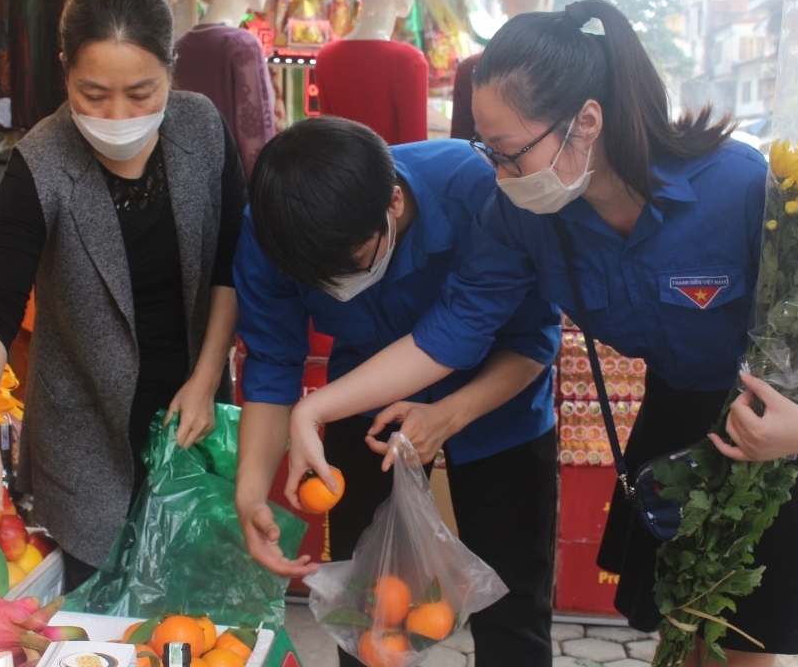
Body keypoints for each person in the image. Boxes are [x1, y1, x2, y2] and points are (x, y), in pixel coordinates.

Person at [284, 0, 798, 666]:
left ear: (586, 121)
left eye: (509, 152)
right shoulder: (522, 216)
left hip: (787, 415)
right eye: (485, 151)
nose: (496, 172)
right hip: (683, 421)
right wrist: (316, 408)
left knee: (744, 642)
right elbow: (452, 334)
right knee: (687, 626)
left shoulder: (736, 184)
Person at [0, 0, 248, 592]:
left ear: (171, 67)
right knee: (94, 625)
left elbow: (231, 265)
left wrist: (206, 375)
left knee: (197, 620)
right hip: (81, 439)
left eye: (141, 93)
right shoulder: (42, 163)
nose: (117, 115)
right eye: (93, 93)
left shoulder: (202, 130)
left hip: (194, 417)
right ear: (64, 72)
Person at [233, 117, 562, 665]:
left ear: (393, 201)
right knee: (368, 613)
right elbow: (272, 362)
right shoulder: (273, 226)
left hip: (497, 399)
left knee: (514, 607)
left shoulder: (474, 188)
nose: (334, 283)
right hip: (366, 409)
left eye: (350, 263)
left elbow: (531, 339)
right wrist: (250, 494)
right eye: (314, 278)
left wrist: (452, 413)